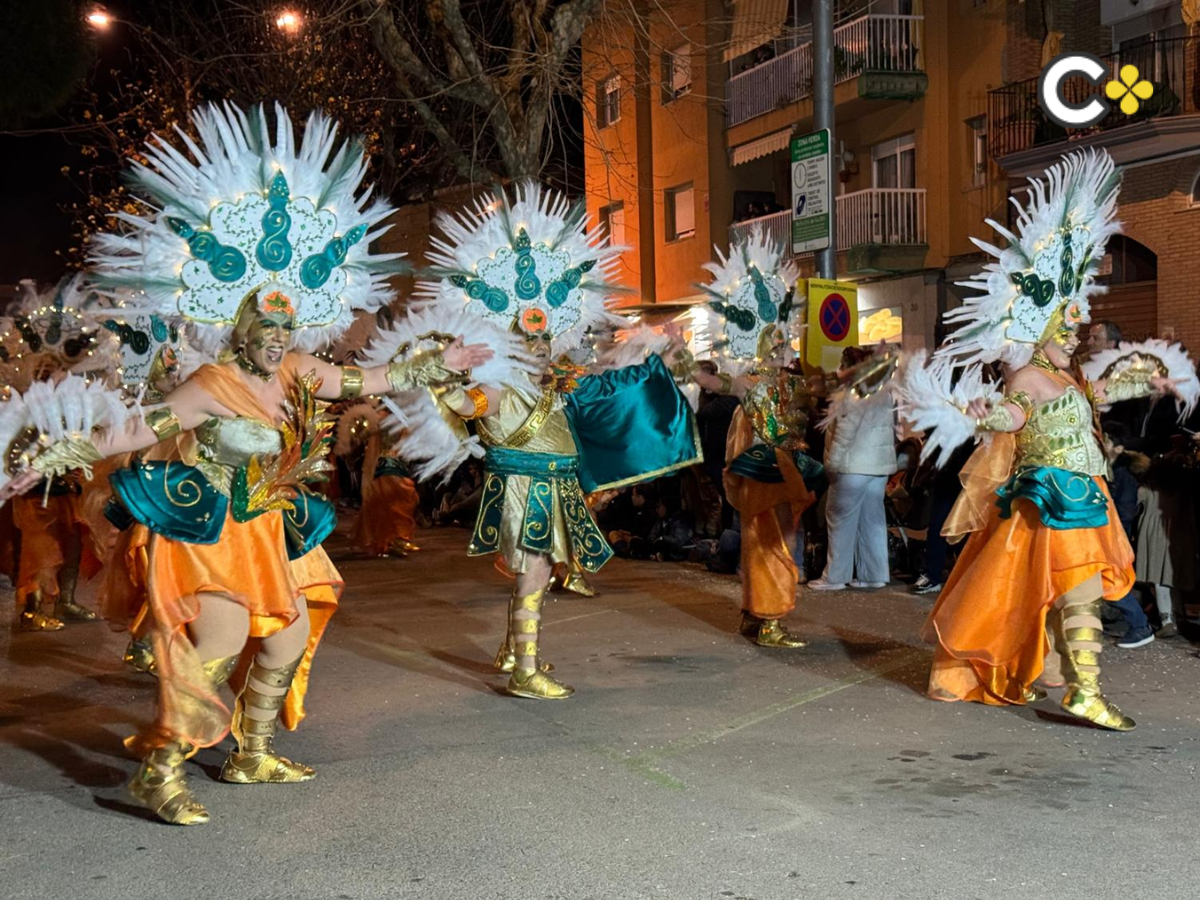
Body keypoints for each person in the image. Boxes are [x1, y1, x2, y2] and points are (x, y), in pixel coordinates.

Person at [1, 103, 492, 825]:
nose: (278, 336)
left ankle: (251, 753)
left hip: (269, 526)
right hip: (211, 531)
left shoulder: (296, 371)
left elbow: (368, 380)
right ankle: (162, 769)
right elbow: (136, 428)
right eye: (266, 325)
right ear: (240, 325)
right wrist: (53, 450)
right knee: (222, 638)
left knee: (287, 637)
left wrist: (437, 363)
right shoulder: (209, 383)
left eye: (287, 325)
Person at [900, 149, 1197, 732]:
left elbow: (1103, 392)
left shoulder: (1070, 377)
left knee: (1062, 594)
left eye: (1079, 325)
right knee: (1080, 590)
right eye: (1069, 325)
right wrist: (984, 413)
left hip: (1084, 493)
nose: (1078, 333)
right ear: (1042, 331)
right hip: (1054, 496)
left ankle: (1059, 675)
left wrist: (1151, 376)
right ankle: (1085, 690)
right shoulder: (1028, 378)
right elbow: (1013, 417)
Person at [368, 182, 701, 700]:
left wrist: (657, 355)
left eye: (546, 338)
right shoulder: (501, 383)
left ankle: (513, 652)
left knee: (537, 574)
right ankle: (525, 670)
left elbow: (609, 386)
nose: (542, 346)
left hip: (553, 486)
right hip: (527, 489)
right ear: (512, 344)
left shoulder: (555, 383)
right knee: (535, 573)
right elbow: (468, 407)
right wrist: (444, 381)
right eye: (531, 339)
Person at [685, 230, 818, 647]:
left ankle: (753, 615)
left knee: (766, 542)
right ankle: (769, 621)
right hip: (764, 475)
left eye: (786, 346)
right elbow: (715, 382)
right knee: (770, 544)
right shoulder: (750, 383)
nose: (787, 352)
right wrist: (683, 363)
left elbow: (817, 396)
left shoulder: (787, 384)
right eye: (780, 348)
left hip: (781, 473)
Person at [810, 347, 899, 591]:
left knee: (840, 521)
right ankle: (874, 574)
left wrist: (832, 464)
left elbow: (844, 434)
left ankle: (835, 577)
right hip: (878, 467)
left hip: (852, 466)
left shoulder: (852, 392)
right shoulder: (882, 390)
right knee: (872, 521)